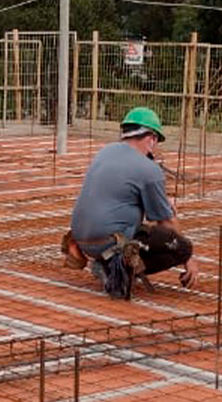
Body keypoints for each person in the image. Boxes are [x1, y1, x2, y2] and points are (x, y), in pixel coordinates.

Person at [61, 106, 194, 299]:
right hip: (108, 242)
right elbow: (166, 223)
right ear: (151, 139)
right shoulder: (149, 170)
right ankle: (114, 269)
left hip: (82, 240)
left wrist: (161, 201)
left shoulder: (105, 152)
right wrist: (188, 257)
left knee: (136, 227)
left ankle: (103, 262)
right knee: (181, 246)